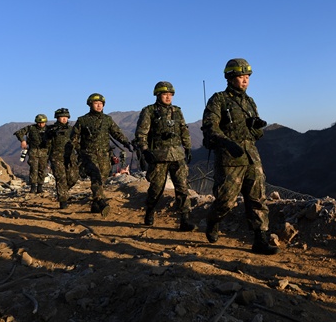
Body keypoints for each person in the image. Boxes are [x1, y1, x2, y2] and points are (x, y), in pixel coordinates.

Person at [201, 58, 279, 255]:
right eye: (241, 77)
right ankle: (213, 221)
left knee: (257, 198)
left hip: (251, 156)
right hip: (229, 158)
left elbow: (256, 135)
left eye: (247, 77)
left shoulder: (249, 102)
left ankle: (260, 239)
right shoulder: (218, 100)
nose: (245, 81)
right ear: (230, 78)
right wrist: (227, 142)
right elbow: (210, 127)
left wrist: (256, 128)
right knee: (226, 201)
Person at [134, 81, 196, 231]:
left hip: (177, 155)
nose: (168, 97)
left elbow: (183, 129)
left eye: (170, 95)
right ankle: (150, 211)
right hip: (158, 157)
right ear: (157, 95)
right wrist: (145, 150)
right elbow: (141, 133)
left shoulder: (177, 111)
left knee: (182, 188)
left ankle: (185, 219)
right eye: (165, 94)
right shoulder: (149, 111)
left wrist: (188, 147)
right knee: (156, 188)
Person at [68, 93, 133, 217]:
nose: (99, 106)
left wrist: (126, 143)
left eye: (101, 104)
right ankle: (101, 202)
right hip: (89, 154)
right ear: (90, 104)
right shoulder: (82, 120)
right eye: (96, 103)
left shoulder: (107, 120)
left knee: (102, 178)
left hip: (104, 155)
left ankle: (95, 204)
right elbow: (74, 139)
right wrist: (79, 152)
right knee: (96, 176)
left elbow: (116, 133)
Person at [46, 108, 79, 209]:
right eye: (62, 117)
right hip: (57, 158)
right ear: (57, 118)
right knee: (61, 178)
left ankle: (63, 191)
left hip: (70, 157)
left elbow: (77, 143)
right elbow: (46, 145)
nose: (64, 119)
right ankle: (63, 200)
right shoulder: (51, 130)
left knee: (73, 177)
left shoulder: (72, 130)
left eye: (66, 117)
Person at [14, 114, 49, 193]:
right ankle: (33, 187)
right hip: (33, 152)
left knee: (42, 169)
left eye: (43, 123)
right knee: (33, 169)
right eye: (39, 123)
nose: (41, 124)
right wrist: (22, 140)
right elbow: (18, 133)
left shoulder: (48, 129)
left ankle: (40, 187)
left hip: (44, 152)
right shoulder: (31, 128)